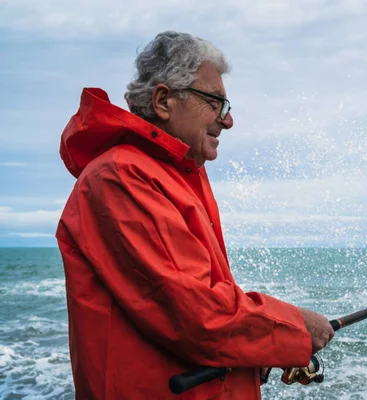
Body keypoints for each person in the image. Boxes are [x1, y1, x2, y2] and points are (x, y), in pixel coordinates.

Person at [55, 31, 334, 400]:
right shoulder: (121, 177)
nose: (227, 120)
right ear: (164, 100)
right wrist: (294, 328)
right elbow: (196, 314)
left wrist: (257, 354)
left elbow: (194, 310)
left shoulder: (175, 175)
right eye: (216, 103)